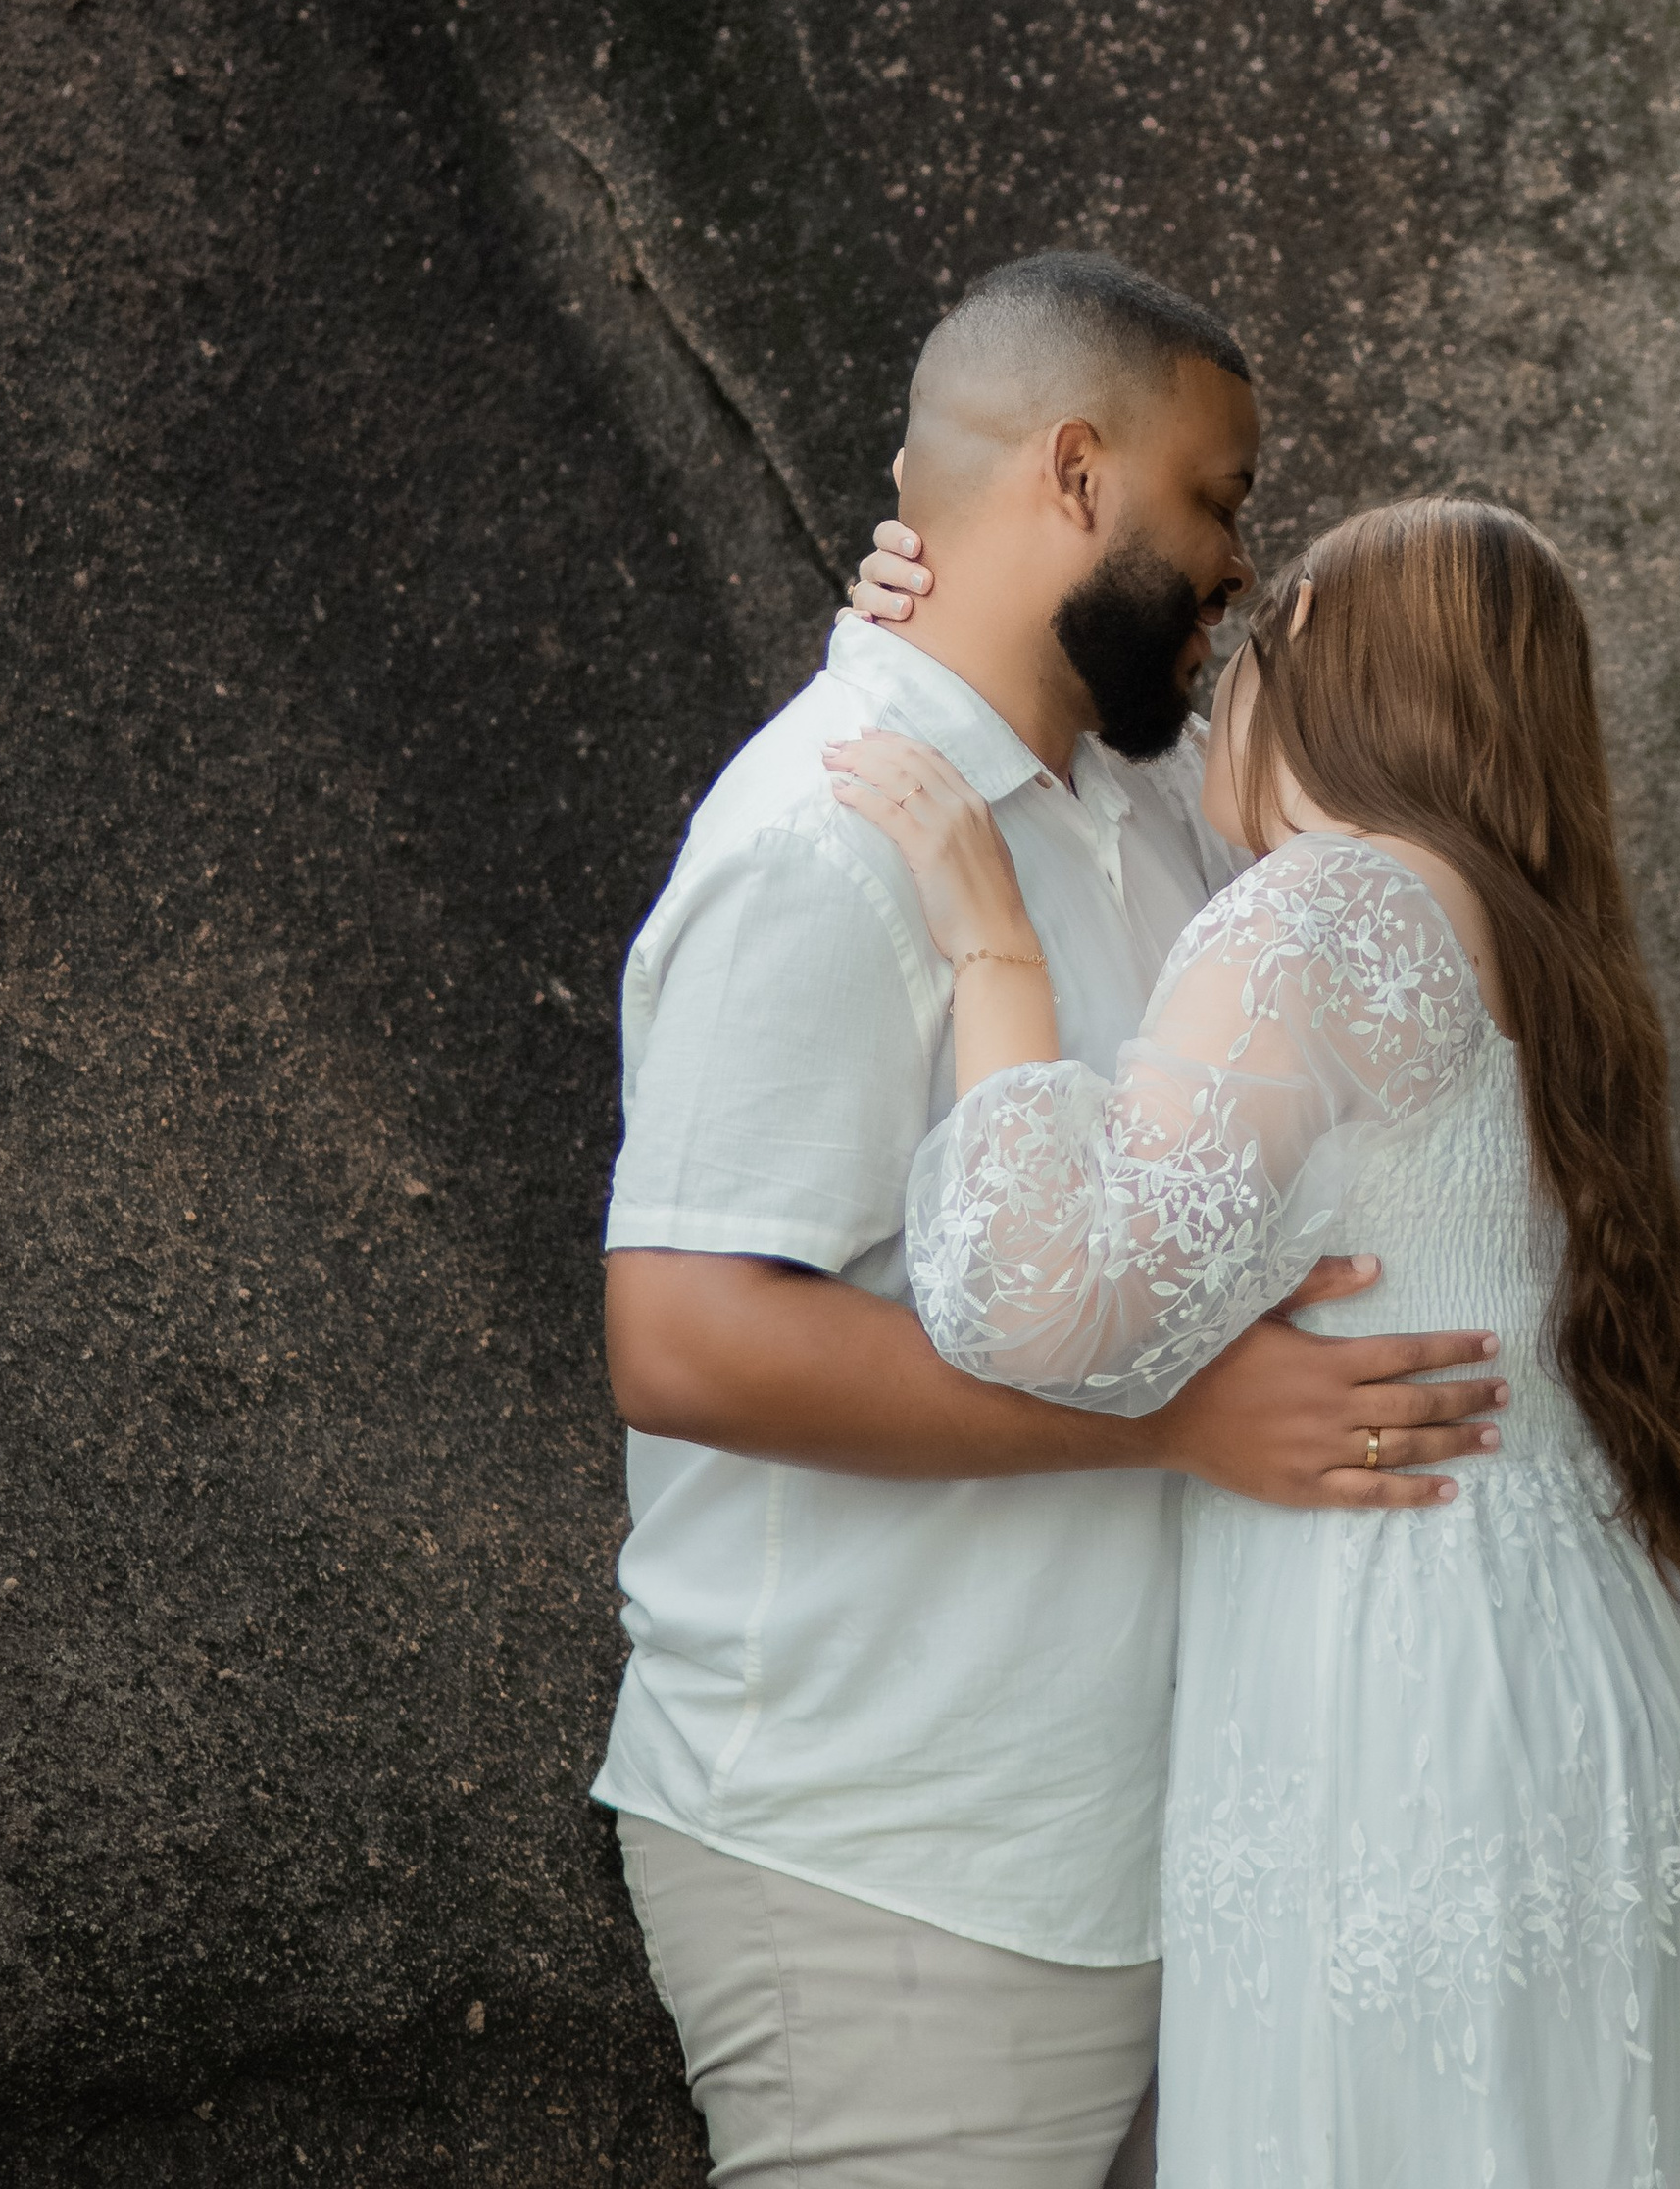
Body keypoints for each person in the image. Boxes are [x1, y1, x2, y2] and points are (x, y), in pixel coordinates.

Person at [596, 254, 1511, 2189]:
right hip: (890, 1857)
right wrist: (1176, 1418)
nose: (1243, 559)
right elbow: (682, 1336)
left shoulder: (1154, 806)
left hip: (1156, 1845)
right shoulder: (820, 842)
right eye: (1221, 499)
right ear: (1077, 481)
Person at [828, 493, 1680, 2189]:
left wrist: (992, 952)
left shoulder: (1321, 920)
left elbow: (1040, 1298)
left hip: (1408, 1691)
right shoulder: (1532, 935)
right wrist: (932, 605)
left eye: (1251, 649)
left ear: (1333, 684)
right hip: (1590, 1671)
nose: (1211, 694)